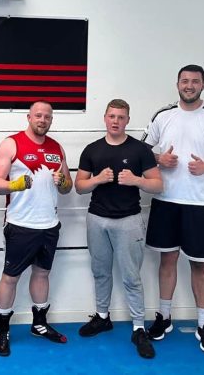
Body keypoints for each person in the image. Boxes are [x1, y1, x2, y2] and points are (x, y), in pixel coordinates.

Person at [142, 64, 204, 355]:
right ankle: (164, 317)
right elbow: (141, 151)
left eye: (195, 81)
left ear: (203, 84)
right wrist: (158, 160)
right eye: (184, 81)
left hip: (200, 203)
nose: (189, 85)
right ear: (177, 83)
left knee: (199, 265)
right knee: (167, 260)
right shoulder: (163, 115)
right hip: (166, 200)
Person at [75, 99, 162, 359]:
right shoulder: (92, 149)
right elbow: (79, 186)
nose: (115, 121)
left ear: (127, 120)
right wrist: (97, 179)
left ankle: (138, 328)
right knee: (100, 271)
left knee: (131, 277)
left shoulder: (139, 150)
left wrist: (136, 180)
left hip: (129, 220)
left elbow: (158, 185)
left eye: (121, 117)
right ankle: (103, 317)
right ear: (105, 118)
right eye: (112, 116)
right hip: (97, 219)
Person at [0, 100, 72, 357]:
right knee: (10, 278)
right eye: (38, 115)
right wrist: (15, 185)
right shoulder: (11, 143)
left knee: (42, 275)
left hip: (49, 224)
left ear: (51, 120)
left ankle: (39, 324)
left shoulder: (56, 148)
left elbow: (67, 186)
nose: (42, 119)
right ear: (29, 117)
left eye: (47, 116)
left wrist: (63, 182)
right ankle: (2, 330)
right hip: (20, 224)